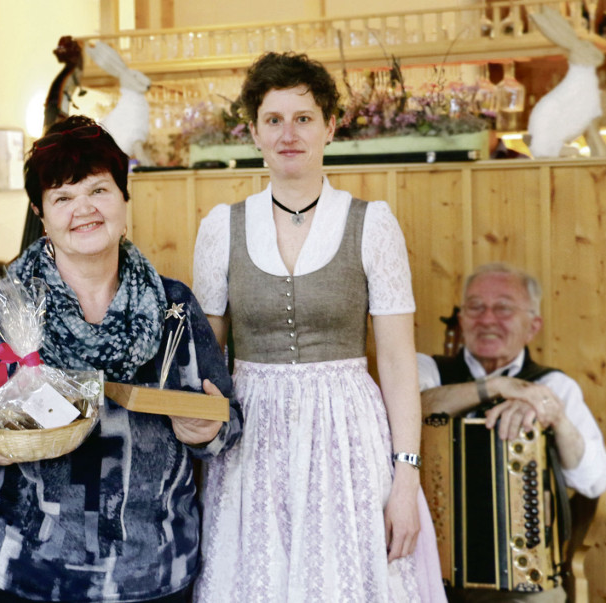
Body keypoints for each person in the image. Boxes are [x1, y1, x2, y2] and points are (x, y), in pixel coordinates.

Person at [0, 115, 243, 603]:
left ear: (123, 196)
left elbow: (228, 418)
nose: (84, 210)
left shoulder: (174, 310)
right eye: (62, 197)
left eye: (98, 190)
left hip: (150, 572)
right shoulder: (4, 311)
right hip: (18, 571)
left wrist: (210, 429)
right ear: (41, 210)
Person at [191, 52, 445, 602]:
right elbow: (204, 363)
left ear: (330, 126)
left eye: (304, 118)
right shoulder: (221, 229)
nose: (289, 133)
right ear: (253, 131)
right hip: (249, 443)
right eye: (274, 119)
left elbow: (400, 364)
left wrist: (406, 478)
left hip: (347, 438)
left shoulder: (372, 225)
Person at [417, 262, 606, 603]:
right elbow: (414, 406)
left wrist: (555, 417)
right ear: (462, 320)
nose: (487, 319)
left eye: (503, 308)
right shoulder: (428, 370)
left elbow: (593, 481)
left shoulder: (553, 386)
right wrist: (498, 387)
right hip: (432, 572)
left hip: (523, 580)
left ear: (532, 326)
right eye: (475, 307)